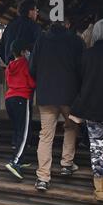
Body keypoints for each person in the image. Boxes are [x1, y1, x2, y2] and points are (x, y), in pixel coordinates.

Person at [29, 19, 85, 191]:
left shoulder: (41, 40)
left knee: (46, 136)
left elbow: (32, 67)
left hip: (46, 95)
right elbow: (83, 68)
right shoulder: (76, 41)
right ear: (67, 26)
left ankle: (43, 178)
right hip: (69, 95)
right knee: (71, 128)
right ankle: (67, 164)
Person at [71, 19, 103, 202]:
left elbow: (79, 82)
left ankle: (101, 191)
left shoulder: (85, 56)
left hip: (92, 109)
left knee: (97, 149)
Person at [4, 40, 36, 180]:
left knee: (18, 129)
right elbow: (31, 82)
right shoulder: (25, 63)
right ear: (23, 52)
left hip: (9, 99)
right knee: (25, 132)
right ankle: (15, 161)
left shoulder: (9, 65)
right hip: (22, 98)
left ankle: (20, 159)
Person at [0, 0, 42, 65]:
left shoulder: (9, 26)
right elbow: (39, 48)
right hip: (27, 69)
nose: (37, 13)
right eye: (36, 10)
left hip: (11, 70)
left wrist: (10, 63)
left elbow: (0, 50)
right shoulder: (34, 26)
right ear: (30, 12)